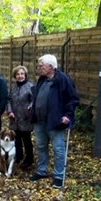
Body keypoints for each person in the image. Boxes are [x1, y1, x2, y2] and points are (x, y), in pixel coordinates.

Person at [30, 54, 79, 188]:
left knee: (58, 148)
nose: (39, 68)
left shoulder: (63, 79)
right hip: (40, 120)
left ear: (51, 66)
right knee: (41, 146)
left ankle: (58, 175)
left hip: (55, 121)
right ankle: (42, 170)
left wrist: (68, 115)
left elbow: (73, 99)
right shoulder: (42, 79)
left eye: (41, 66)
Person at [6, 65, 34, 170]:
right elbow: (8, 100)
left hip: (25, 118)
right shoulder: (13, 87)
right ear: (15, 76)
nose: (20, 76)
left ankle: (29, 159)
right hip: (14, 118)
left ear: (25, 75)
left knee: (27, 140)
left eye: (22, 74)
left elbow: (33, 100)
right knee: (16, 138)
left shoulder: (30, 86)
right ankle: (18, 155)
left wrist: (30, 108)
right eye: (18, 74)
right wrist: (9, 111)